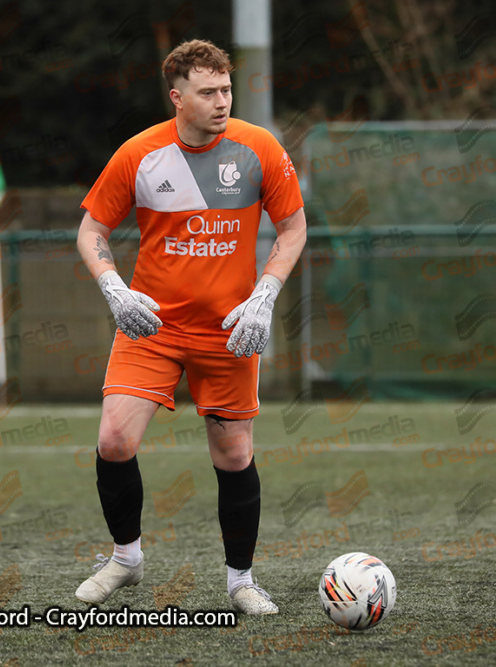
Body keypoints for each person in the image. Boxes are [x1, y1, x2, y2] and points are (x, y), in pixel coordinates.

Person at [74, 38, 306, 615]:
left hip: (230, 329)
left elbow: (294, 229)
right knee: (114, 439)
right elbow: (90, 232)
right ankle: (125, 561)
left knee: (233, 455)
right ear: (177, 98)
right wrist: (113, 288)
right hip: (149, 325)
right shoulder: (139, 154)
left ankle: (241, 583)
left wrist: (266, 294)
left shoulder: (259, 148)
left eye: (226, 89)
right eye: (208, 93)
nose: (222, 101)